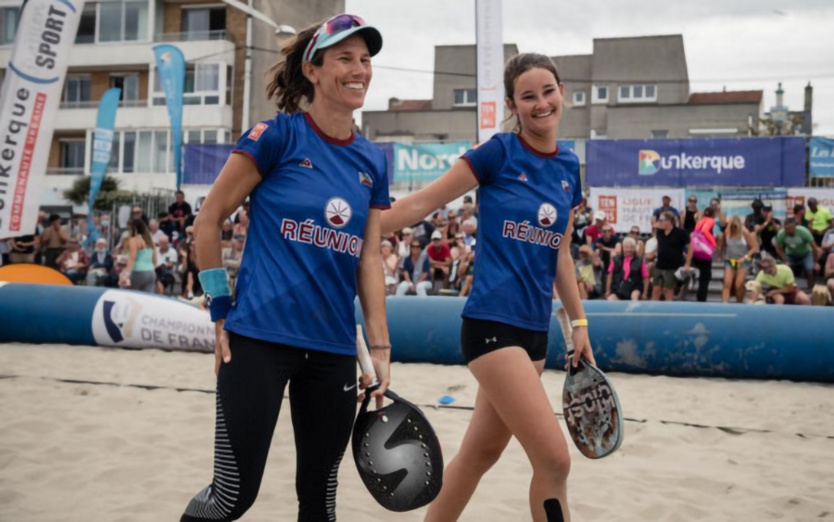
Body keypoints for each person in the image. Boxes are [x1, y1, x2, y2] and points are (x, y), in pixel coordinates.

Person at [179, 14, 391, 522]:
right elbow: (206, 222)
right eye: (344, 58)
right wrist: (219, 307)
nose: (359, 69)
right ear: (314, 71)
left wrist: (380, 348)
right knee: (232, 496)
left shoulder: (373, 161)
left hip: (333, 350)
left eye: (365, 59)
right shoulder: (276, 136)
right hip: (257, 339)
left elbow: (368, 258)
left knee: (320, 501)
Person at [381, 52, 595, 522]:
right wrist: (364, 228)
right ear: (513, 104)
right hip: (491, 328)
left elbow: (560, 253)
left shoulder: (567, 167)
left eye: (548, 91)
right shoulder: (498, 152)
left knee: (478, 457)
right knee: (554, 459)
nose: (540, 103)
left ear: (562, 92)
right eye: (528, 96)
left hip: (535, 335)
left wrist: (578, 323)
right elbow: (424, 200)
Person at [651, 210, 692, 301]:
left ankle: (668, 309)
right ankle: (653, 309)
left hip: (673, 265)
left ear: (669, 221)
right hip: (660, 264)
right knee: (656, 288)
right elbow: (659, 244)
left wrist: (687, 264)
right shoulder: (660, 232)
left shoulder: (680, 233)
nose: (660, 222)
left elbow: (690, 248)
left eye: (662, 220)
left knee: (668, 289)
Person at [719, 215, 758, 303]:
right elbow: (724, 245)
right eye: (732, 227)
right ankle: (724, 303)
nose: (733, 229)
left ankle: (739, 302)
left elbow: (754, 247)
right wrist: (720, 255)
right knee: (727, 282)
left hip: (742, 261)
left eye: (735, 227)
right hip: (730, 260)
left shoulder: (744, 232)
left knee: (738, 284)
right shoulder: (727, 232)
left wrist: (745, 257)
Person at [775, 217, 821, 289]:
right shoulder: (781, 233)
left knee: (810, 270)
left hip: (805, 253)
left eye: (790, 228)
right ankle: (787, 288)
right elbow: (778, 249)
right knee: (785, 269)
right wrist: (785, 259)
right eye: (786, 229)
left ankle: (811, 288)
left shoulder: (803, 231)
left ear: (795, 227)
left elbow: (814, 248)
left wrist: (815, 262)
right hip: (790, 254)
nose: (788, 231)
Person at [119, 218, 158, 293]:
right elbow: (155, 258)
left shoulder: (134, 240)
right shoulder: (150, 240)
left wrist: (125, 274)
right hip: (151, 272)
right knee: (147, 298)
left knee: (129, 295)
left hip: (138, 271)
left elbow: (133, 257)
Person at [690, 207, 717, 302]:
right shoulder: (711, 221)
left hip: (696, 251)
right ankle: (701, 299)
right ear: (713, 214)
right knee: (705, 277)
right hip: (705, 254)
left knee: (703, 274)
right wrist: (713, 242)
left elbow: (696, 234)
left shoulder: (699, 222)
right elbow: (705, 231)